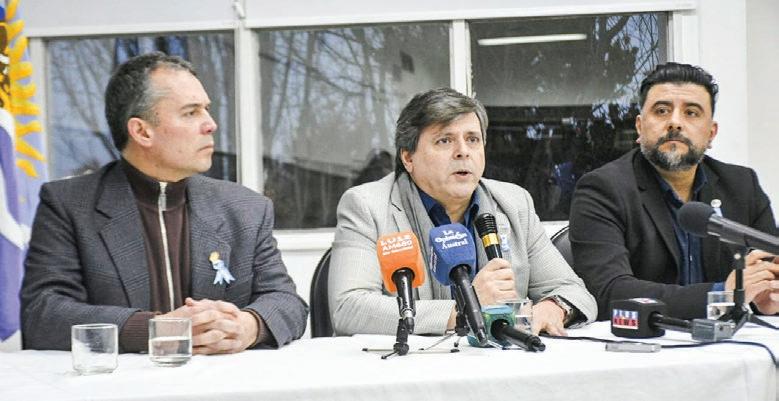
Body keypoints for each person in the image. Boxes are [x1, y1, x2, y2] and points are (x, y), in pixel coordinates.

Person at [21, 52, 308, 353]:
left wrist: (250, 326)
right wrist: (157, 330)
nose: (211, 124)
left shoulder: (245, 208)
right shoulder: (69, 205)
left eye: (207, 110)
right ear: (142, 131)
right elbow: (42, 315)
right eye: (191, 112)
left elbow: (287, 303)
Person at [329, 88, 596, 337]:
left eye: (472, 140)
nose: (463, 152)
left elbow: (573, 291)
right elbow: (349, 307)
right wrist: (465, 307)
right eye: (445, 140)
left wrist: (554, 308)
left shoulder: (514, 203)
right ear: (408, 158)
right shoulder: (367, 206)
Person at [569, 62, 779, 320]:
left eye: (691, 113)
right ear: (639, 127)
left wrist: (766, 297)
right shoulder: (602, 189)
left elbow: (768, 270)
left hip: (733, 340)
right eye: (661, 111)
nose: (675, 123)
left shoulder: (742, 185)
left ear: (711, 133)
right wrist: (721, 294)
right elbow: (608, 291)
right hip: (646, 339)